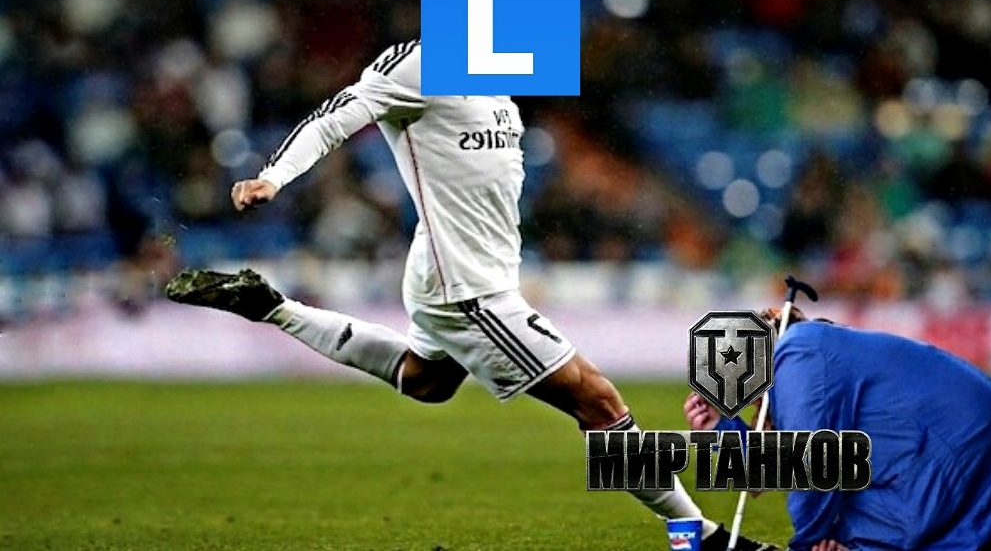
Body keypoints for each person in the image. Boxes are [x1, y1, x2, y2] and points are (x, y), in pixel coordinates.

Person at [165, 40, 778, 551]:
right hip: (466, 289)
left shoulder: (499, 87)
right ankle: (699, 534)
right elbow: (335, 116)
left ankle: (272, 307)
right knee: (598, 402)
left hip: (470, 275)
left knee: (426, 380)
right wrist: (273, 177)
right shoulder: (418, 63)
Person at [684, 307, 991, 551]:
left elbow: (812, 467)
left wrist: (810, 544)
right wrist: (722, 428)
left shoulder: (799, 354)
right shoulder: (811, 355)